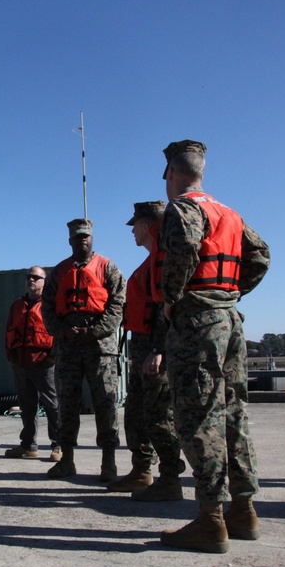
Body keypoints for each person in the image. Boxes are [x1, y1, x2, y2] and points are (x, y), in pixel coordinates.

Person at [158, 140, 270, 553]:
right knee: (232, 413)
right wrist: (230, 292)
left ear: (171, 173)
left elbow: (185, 248)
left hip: (197, 322)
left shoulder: (183, 209)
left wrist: (174, 297)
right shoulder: (230, 213)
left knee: (198, 415)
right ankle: (243, 509)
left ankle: (210, 519)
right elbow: (261, 256)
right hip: (230, 320)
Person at [107, 201, 185, 501]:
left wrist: (157, 349)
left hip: (154, 350)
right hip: (141, 348)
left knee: (158, 415)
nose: (132, 230)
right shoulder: (151, 260)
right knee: (137, 414)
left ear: (150, 225)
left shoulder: (164, 260)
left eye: (136, 224)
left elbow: (168, 310)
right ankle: (142, 470)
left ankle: (169, 478)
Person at [41, 219, 126, 482]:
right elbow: (47, 307)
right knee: (67, 402)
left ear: (92, 238)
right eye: (77, 238)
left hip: (100, 346)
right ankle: (67, 459)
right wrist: (63, 331)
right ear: (70, 241)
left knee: (106, 403)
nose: (82, 241)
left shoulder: (108, 268)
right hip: (68, 345)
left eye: (86, 237)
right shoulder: (58, 272)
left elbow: (117, 305)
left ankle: (108, 463)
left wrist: (95, 331)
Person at [3, 266, 62, 461]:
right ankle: (28, 445)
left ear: (44, 281)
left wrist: (52, 356)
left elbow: (58, 331)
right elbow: (9, 330)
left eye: (36, 277)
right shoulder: (16, 305)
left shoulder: (51, 304)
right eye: (29, 277)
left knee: (52, 404)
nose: (31, 280)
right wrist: (11, 355)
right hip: (20, 362)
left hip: (44, 362)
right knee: (27, 406)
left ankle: (58, 445)